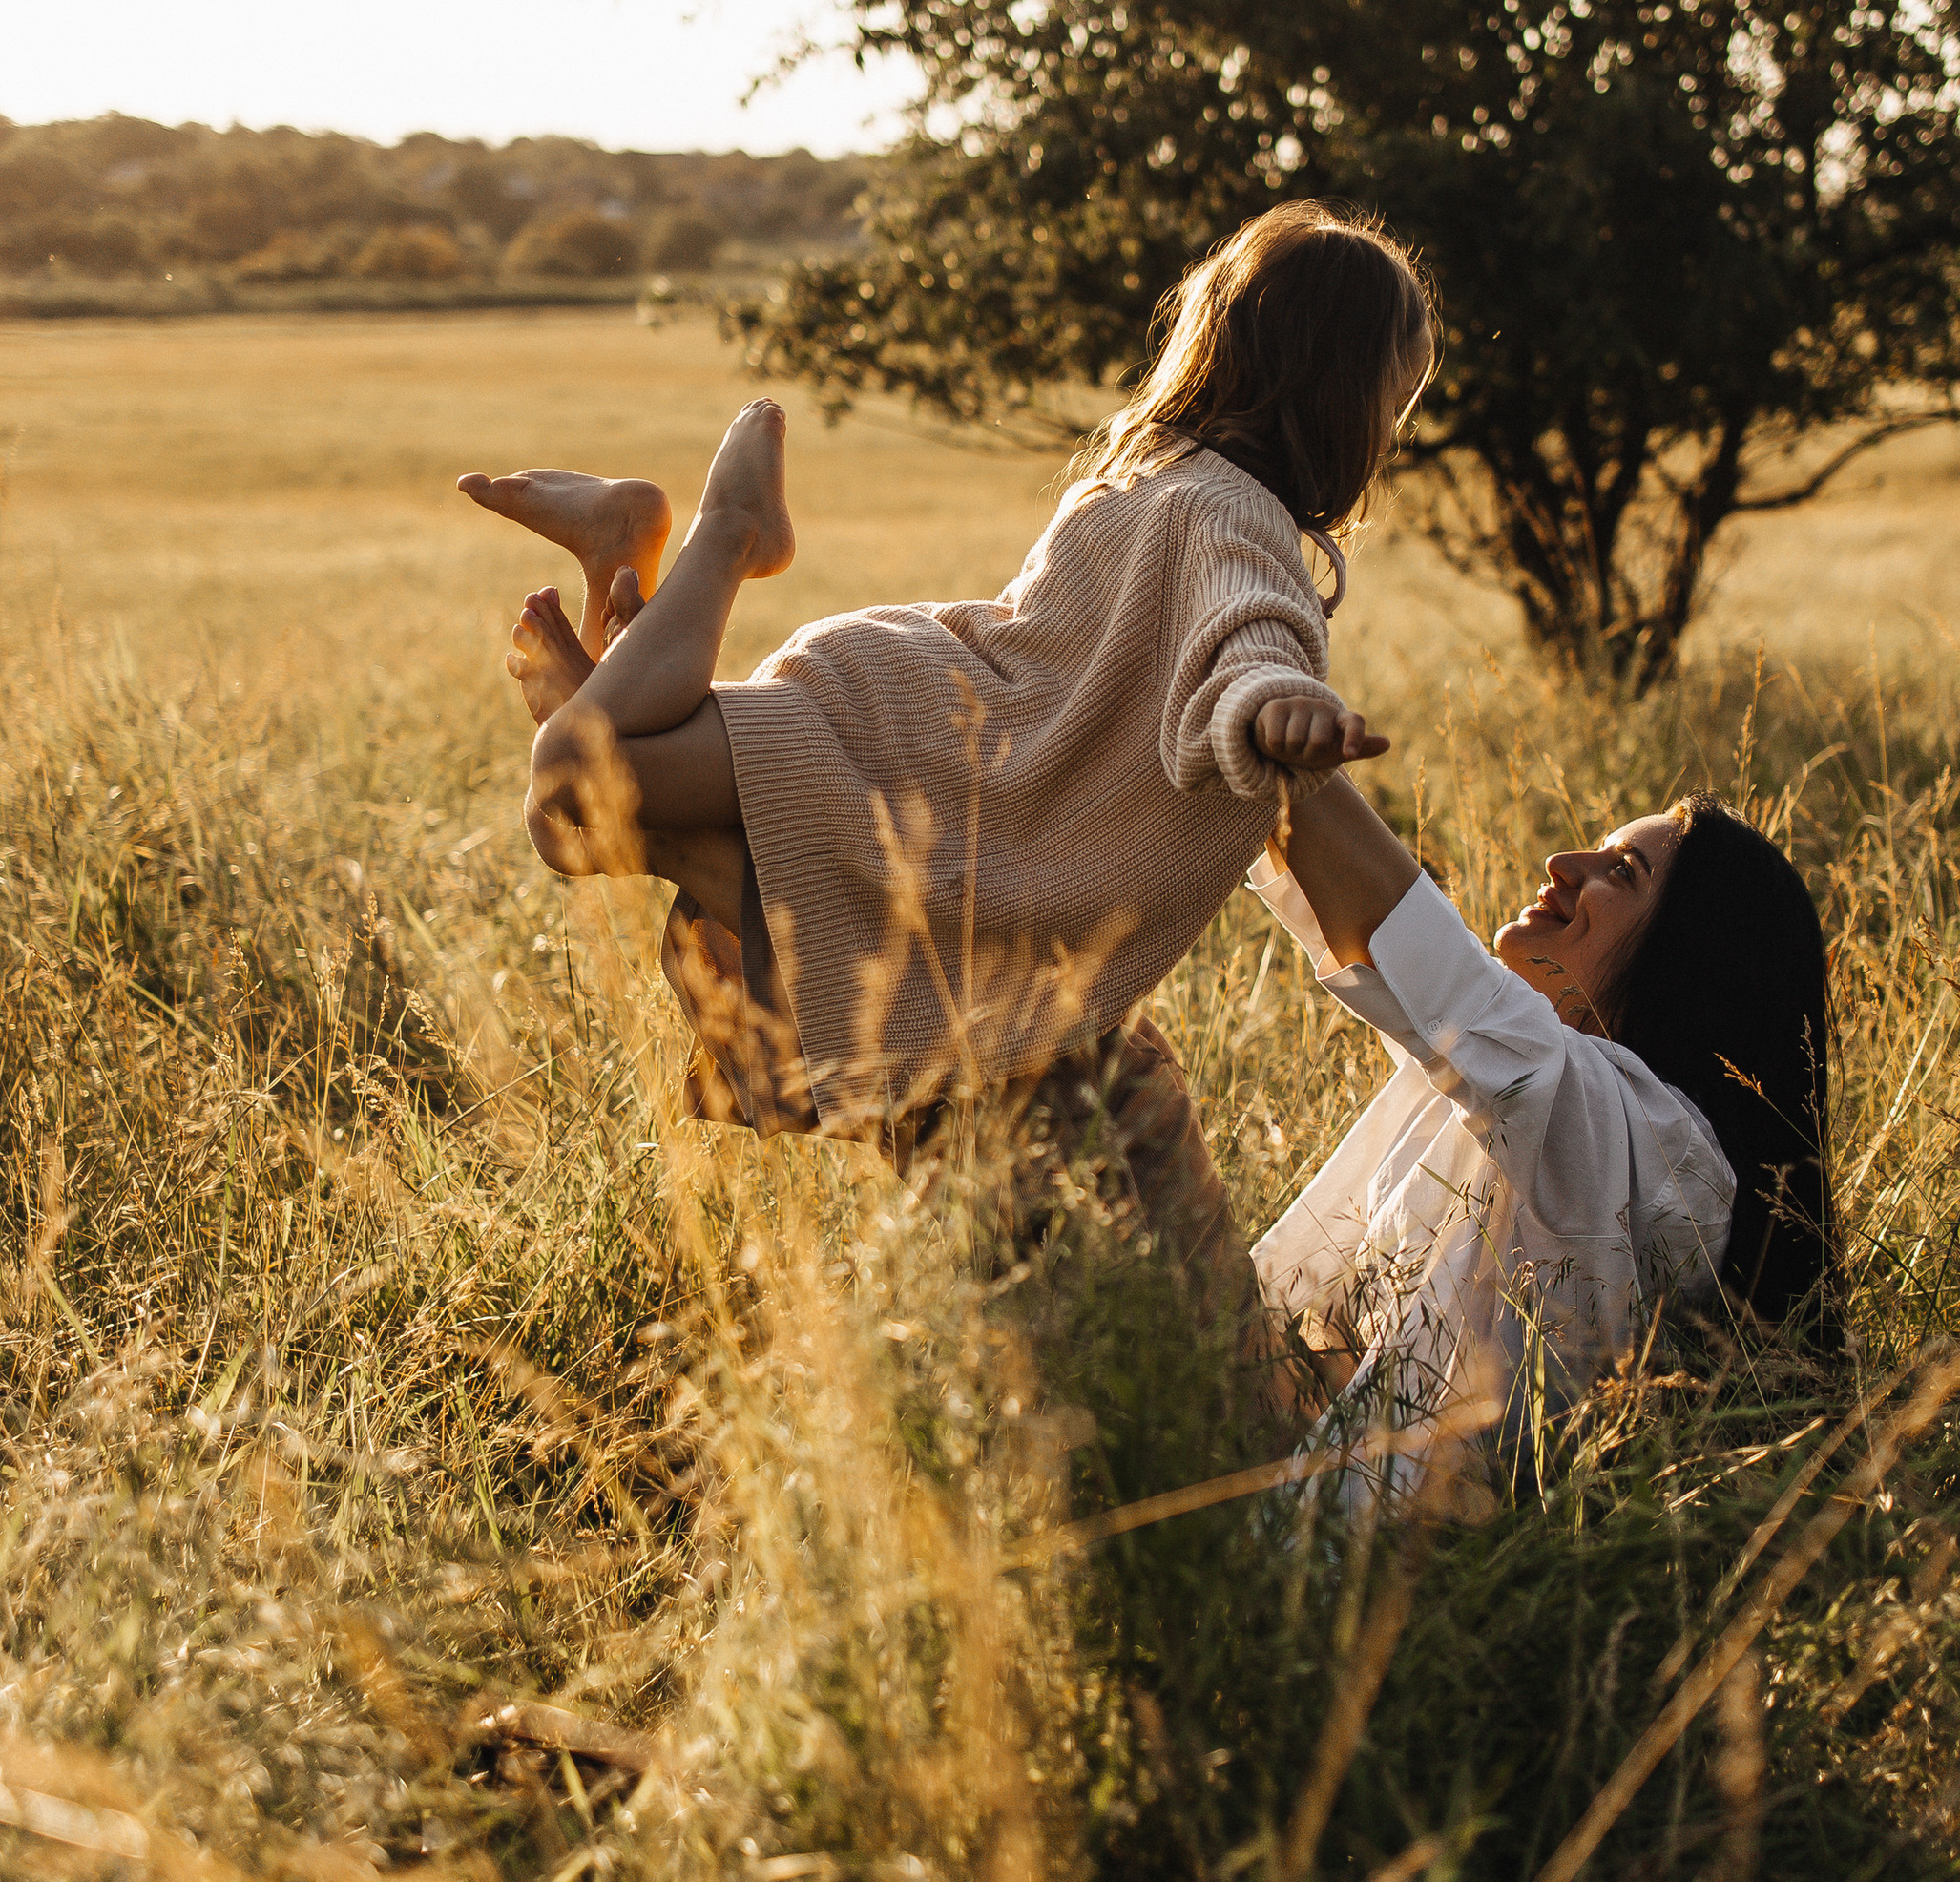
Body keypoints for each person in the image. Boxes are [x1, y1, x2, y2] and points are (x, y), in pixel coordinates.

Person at [458, 210, 1436, 1257]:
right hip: (926, 780)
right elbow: (1249, 635)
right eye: (1396, 400)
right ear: (1343, 396)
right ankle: (727, 538)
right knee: (572, 784)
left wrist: (1257, 694)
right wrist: (1277, 707)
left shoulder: (1142, 479)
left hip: (913, 727)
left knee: (593, 811)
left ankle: (622, 568)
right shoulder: (1240, 523)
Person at [1249, 771, 1839, 1488]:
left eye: (1621, 871)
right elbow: (1373, 946)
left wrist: (1270, 729)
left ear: (1685, 962)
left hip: (1373, 1545)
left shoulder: (1670, 1159)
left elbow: (1427, 963)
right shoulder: (1506, 1090)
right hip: (1287, 1446)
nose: (1564, 864)